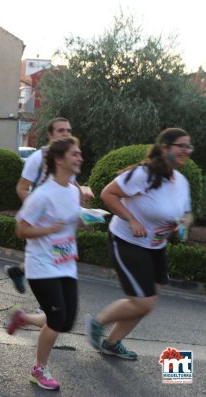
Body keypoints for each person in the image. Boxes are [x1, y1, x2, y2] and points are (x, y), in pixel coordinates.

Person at [86, 128, 193, 360]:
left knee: (148, 302)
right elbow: (108, 194)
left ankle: (112, 343)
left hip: (156, 245)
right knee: (142, 302)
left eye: (189, 146)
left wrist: (183, 224)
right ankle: (98, 322)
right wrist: (131, 219)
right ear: (165, 149)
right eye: (181, 146)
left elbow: (186, 214)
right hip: (127, 240)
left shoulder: (182, 182)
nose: (186, 151)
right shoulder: (144, 173)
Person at [6, 136, 83, 391]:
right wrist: (49, 229)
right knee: (58, 317)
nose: (79, 157)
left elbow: (73, 224)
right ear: (59, 160)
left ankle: (22, 317)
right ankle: (39, 369)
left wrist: (87, 217)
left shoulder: (74, 190)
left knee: (66, 321)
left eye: (79, 153)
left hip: (66, 263)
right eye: (74, 154)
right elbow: (21, 229)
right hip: (41, 265)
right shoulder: (42, 194)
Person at [7, 117, 94, 293]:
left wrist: (81, 194)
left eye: (68, 131)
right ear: (50, 135)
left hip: (60, 229)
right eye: (61, 131)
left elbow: (70, 183)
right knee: (47, 265)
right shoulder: (37, 159)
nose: (66, 134)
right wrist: (37, 214)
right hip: (42, 221)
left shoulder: (68, 159)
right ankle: (44, 310)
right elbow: (21, 188)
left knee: (58, 259)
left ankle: (18, 271)